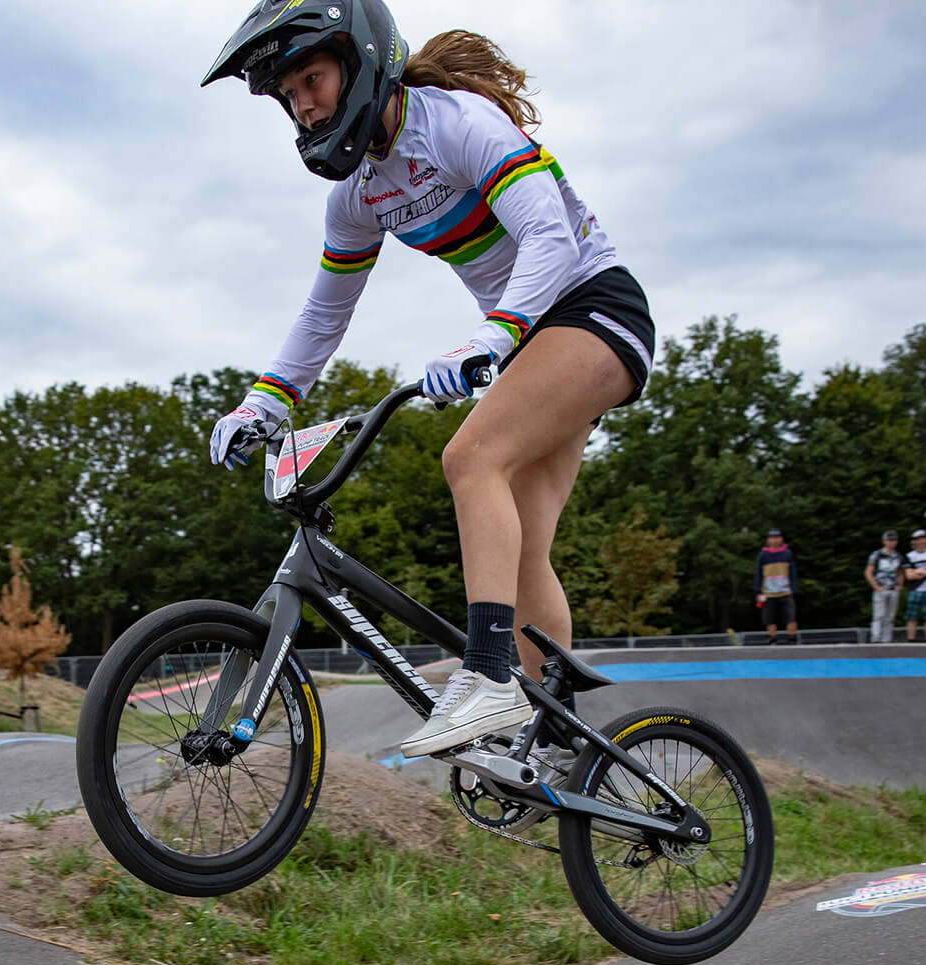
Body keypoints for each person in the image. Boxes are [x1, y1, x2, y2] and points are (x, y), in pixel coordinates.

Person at [202, 6, 653, 758]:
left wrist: (492, 336)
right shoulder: (357, 194)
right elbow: (325, 313)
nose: (303, 103)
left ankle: (488, 677)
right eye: (287, 96)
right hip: (531, 338)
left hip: (594, 308)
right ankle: (559, 740)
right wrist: (264, 400)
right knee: (523, 543)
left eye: (310, 78)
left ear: (361, 60)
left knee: (469, 458)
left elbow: (546, 233)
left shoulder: (457, 124)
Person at [755, 528, 799, 644]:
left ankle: (792, 638)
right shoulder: (763, 555)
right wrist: (758, 592)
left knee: (791, 616)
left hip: (785, 591)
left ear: (781, 539)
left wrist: (794, 588)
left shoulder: (787, 553)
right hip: (768, 593)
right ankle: (772, 638)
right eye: (771, 538)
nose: (774, 540)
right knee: (769, 618)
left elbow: (793, 572)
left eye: (776, 538)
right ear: (768, 540)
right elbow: (758, 574)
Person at [902, 529, 926, 641]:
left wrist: (920, 572)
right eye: (917, 540)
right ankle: (911, 640)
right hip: (914, 589)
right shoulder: (909, 556)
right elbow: (909, 575)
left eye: (922, 539)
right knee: (911, 616)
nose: (920, 542)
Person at [865, 530, 904, 643]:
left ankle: (887, 639)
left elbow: (900, 572)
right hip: (881, 588)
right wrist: (876, 586)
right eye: (889, 540)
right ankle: (875, 638)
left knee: (890, 617)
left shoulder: (898, 556)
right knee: (879, 615)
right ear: (884, 541)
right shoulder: (877, 555)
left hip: (893, 589)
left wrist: (900, 586)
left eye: (894, 540)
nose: (892, 542)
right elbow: (868, 572)